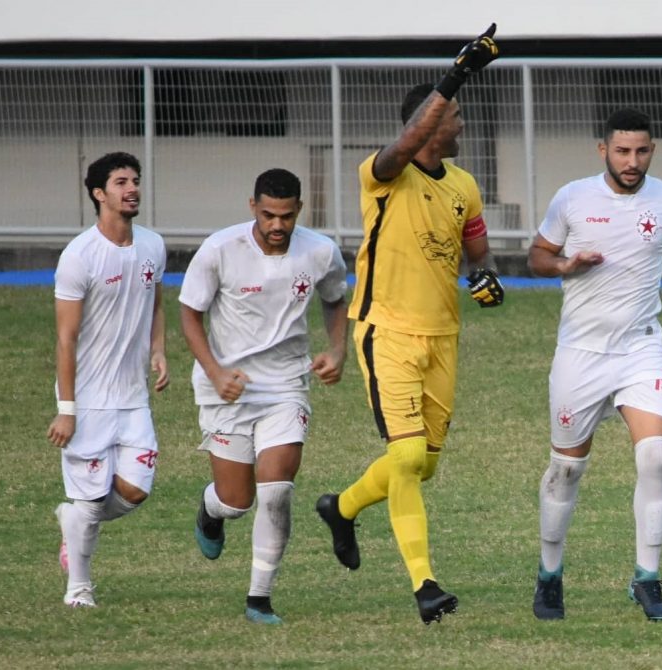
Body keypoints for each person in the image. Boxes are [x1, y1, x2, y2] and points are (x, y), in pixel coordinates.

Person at [315, 25, 504, 624]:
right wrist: (458, 73)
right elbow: (409, 139)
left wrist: (484, 280)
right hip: (386, 331)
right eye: (453, 118)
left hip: (442, 338)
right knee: (406, 457)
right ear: (428, 124)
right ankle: (425, 584)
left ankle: (342, 509)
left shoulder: (466, 187)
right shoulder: (384, 173)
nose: (462, 126)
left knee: (424, 464)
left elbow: (478, 253)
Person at [528, 108, 662, 622]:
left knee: (657, 457)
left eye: (641, 150)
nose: (632, 160)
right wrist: (565, 265)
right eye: (622, 151)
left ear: (652, 150)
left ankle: (647, 579)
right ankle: (550, 576)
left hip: (642, 348)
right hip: (581, 353)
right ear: (604, 151)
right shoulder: (572, 197)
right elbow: (536, 256)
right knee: (567, 469)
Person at [179, 168, 348, 625]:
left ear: (299, 211)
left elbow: (335, 298)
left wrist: (337, 349)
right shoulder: (219, 250)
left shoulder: (320, 251)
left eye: (287, 216)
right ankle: (211, 510)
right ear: (252, 206)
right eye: (269, 215)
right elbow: (190, 315)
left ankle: (259, 598)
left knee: (277, 490)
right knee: (238, 502)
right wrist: (215, 373)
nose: (278, 226)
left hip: (286, 385)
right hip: (227, 389)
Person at [47, 151, 169, 608]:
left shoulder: (153, 246)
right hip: (89, 399)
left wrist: (158, 349)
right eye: (120, 182)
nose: (131, 188)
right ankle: (78, 588)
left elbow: (156, 301)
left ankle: (75, 521)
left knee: (135, 490)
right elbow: (65, 339)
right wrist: (67, 409)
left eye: (134, 180)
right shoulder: (79, 256)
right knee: (90, 499)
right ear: (99, 194)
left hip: (133, 397)